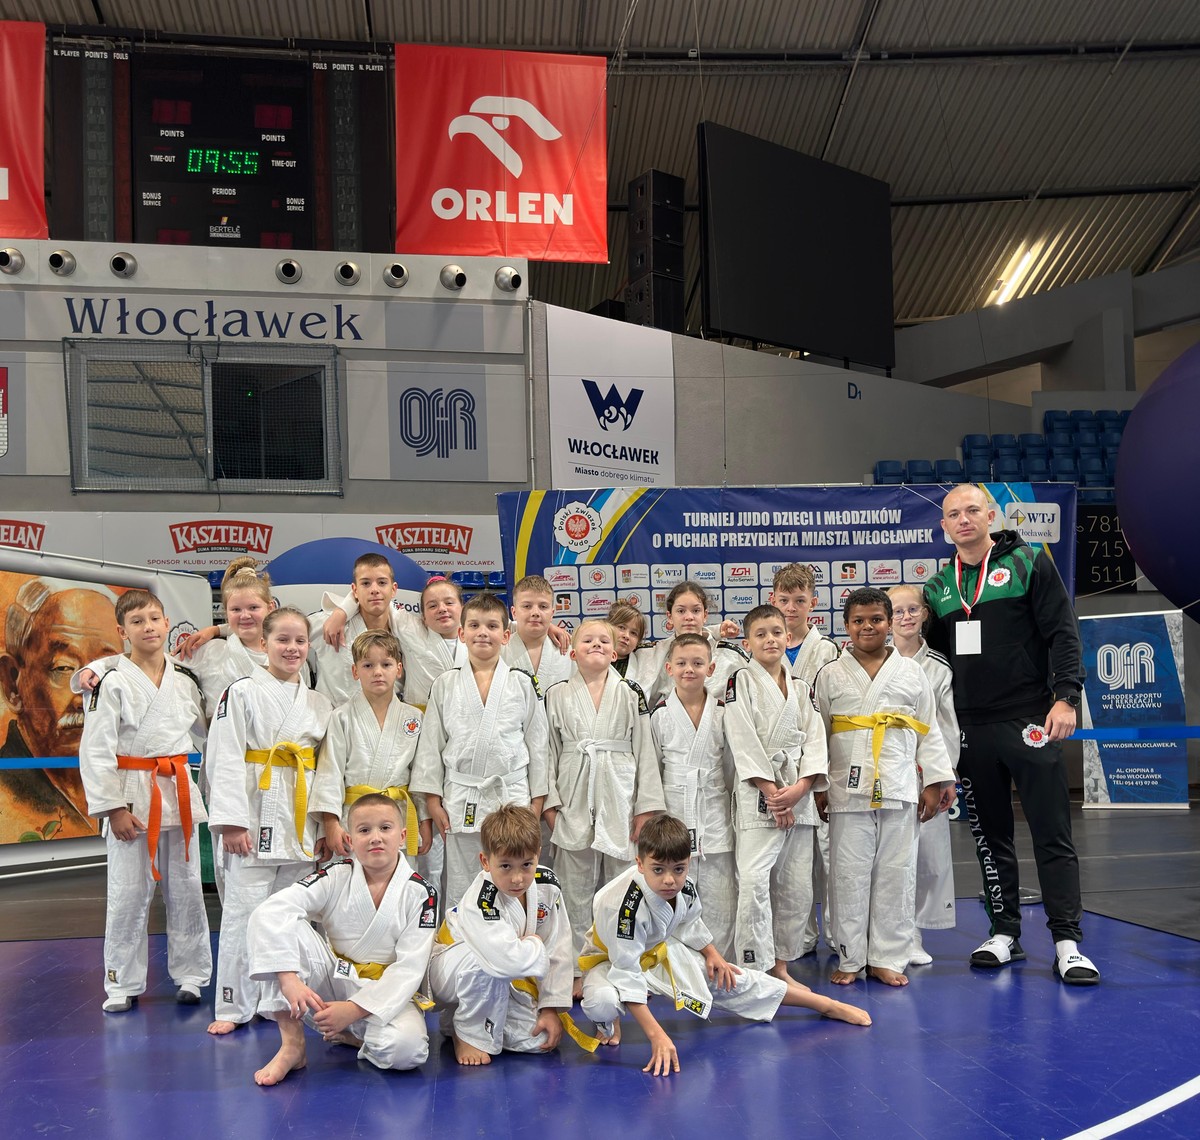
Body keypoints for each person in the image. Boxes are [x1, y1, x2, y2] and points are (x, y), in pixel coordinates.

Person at [924, 484, 1098, 984]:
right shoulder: (938, 587)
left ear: (991, 515)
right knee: (989, 837)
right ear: (944, 526)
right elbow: (932, 665)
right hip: (969, 729)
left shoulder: (1029, 562)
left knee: (1052, 833)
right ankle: (1004, 933)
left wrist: (1066, 696)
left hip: (1029, 720)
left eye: (972, 510)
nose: (963, 519)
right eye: (953, 514)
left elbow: (1062, 632)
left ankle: (1067, 942)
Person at [579, 813, 870, 1075]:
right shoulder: (624, 909)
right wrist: (657, 1036)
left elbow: (689, 923)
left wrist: (712, 953)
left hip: (656, 952)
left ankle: (826, 1004)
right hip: (609, 961)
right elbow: (626, 973)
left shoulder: (683, 887)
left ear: (688, 862)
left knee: (730, 978)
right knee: (603, 1001)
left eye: (678, 869)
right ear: (640, 864)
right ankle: (609, 1021)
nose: (669, 880)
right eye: (658, 870)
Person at [814, 588, 955, 987]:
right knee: (848, 874)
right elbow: (817, 733)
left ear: (890, 623)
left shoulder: (912, 672)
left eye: (876, 619)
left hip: (899, 784)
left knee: (897, 872)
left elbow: (928, 728)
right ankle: (850, 955)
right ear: (846, 626)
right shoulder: (830, 674)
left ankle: (887, 956)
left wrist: (935, 779)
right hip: (846, 787)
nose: (868, 627)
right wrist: (819, 784)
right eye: (858, 621)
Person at [77, 589, 210, 1012]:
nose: (148, 627)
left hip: (178, 790)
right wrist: (113, 809)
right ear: (122, 631)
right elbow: (95, 750)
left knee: (187, 888)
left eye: (154, 618)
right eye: (137, 621)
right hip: (132, 795)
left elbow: (209, 734)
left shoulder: (185, 679)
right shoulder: (111, 682)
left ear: (167, 623)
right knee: (128, 892)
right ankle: (121, 981)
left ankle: (192, 974)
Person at [246, 794, 438, 1084]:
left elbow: (410, 968)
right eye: (364, 830)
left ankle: (354, 1036)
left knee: (408, 1051)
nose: (375, 838)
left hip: (385, 991)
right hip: (333, 979)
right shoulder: (336, 875)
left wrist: (353, 1010)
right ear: (350, 839)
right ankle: (292, 1045)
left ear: (402, 836)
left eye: (385, 828)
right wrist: (288, 978)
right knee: (279, 923)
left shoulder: (422, 893)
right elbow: (271, 911)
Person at [204, 606, 334, 1034]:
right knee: (243, 913)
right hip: (253, 815)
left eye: (300, 641)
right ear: (263, 644)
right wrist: (231, 822)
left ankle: (277, 1002)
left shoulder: (319, 704)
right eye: (282, 640)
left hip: (299, 823)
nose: (292, 648)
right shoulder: (240, 692)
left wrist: (323, 825)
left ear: (309, 646)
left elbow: (327, 770)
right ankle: (232, 1004)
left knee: (289, 917)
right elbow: (223, 758)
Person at [543, 619, 664, 990]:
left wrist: (645, 807)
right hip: (574, 794)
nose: (596, 644)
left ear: (614, 654)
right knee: (574, 888)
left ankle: (624, 965)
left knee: (623, 886)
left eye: (603, 641)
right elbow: (547, 751)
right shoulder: (557, 694)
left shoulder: (630, 693)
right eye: (587, 640)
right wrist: (550, 803)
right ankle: (576, 969)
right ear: (572, 652)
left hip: (620, 796)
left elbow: (646, 751)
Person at [409, 592, 549, 908]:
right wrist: (432, 802)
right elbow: (431, 746)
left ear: (506, 635)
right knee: (463, 885)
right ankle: (462, 938)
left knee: (515, 881)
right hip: (462, 796)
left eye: (492, 626)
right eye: (474, 625)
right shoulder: (445, 684)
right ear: (462, 633)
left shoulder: (521, 683)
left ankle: (516, 935)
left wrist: (536, 804)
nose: (482, 632)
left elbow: (539, 747)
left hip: (512, 796)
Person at [428, 804, 584, 1065]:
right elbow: (504, 961)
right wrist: (535, 944)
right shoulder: (482, 900)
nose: (517, 878)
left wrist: (550, 1008)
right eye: (505, 866)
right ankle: (466, 1032)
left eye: (526, 864)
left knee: (537, 1040)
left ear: (538, 854)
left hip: (500, 977)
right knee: (485, 959)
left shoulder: (547, 886)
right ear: (485, 861)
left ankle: (458, 1019)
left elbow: (559, 947)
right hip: (451, 970)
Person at [724, 604, 828, 979]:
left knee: (796, 886)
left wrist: (800, 788)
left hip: (798, 795)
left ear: (788, 636)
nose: (770, 639)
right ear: (747, 643)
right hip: (759, 794)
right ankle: (754, 963)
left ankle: (782, 963)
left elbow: (816, 740)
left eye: (776, 632)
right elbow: (741, 738)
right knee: (754, 881)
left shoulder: (801, 688)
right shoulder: (740, 681)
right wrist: (772, 791)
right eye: (760, 634)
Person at [0, 579, 122, 841]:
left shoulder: (130, 779)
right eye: (64, 668)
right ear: (12, 684)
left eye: (107, 670)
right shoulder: (7, 802)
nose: (85, 696)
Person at [649, 633, 737, 959]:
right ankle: (677, 966)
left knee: (720, 894)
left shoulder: (724, 712)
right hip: (675, 809)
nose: (690, 669)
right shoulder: (659, 714)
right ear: (669, 668)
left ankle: (721, 964)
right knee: (672, 894)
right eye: (682, 663)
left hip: (714, 809)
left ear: (710, 669)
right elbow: (653, 768)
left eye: (698, 663)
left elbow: (731, 766)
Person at [310, 630, 430, 862]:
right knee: (351, 879)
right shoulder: (341, 717)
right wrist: (330, 824)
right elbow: (329, 772)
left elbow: (422, 774)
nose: (377, 672)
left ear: (399, 669)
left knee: (398, 879)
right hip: (353, 820)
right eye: (367, 665)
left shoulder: (414, 718)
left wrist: (424, 819)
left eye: (386, 664)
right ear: (355, 671)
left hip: (398, 820)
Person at [888, 583, 959, 965]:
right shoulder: (871, 660)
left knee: (926, 857)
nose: (906, 617)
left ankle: (912, 933)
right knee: (886, 858)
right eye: (897, 611)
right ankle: (883, 932)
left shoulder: (938, 667)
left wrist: (942, 775)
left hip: (925, 773)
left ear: (925, 614)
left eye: (913, 609)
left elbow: (945, 727)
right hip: (885, 772)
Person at [772, 562, 840, 957]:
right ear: (772, 599)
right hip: (781, 770)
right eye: (784, 600)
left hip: (819, 763)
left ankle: (838, 933)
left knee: (828, 857)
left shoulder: (826, 649)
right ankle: (798, 935)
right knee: (789, 861)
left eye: (800, 601)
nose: (791, 608)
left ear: (813, 603)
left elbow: (830, 714)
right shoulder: (761, 645)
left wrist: (822, 775)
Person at [628, 581, 747, 708]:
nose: (689, 617)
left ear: (705, 615)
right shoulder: (654, 655)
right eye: (681, 611)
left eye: (696, 610)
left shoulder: (731, 655)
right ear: (670, 616)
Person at [504, 574, 574, 695]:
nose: (535, 612)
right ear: (514, 613)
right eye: (527, 606)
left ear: (552, 613)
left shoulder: (568, 651)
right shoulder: (499, 651)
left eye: (543, 606)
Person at [605, 601, 646, 679]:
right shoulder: (589, 660)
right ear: (608, 627)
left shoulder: (643, 670)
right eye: (621, 627)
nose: (626, 636)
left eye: (633, 633)